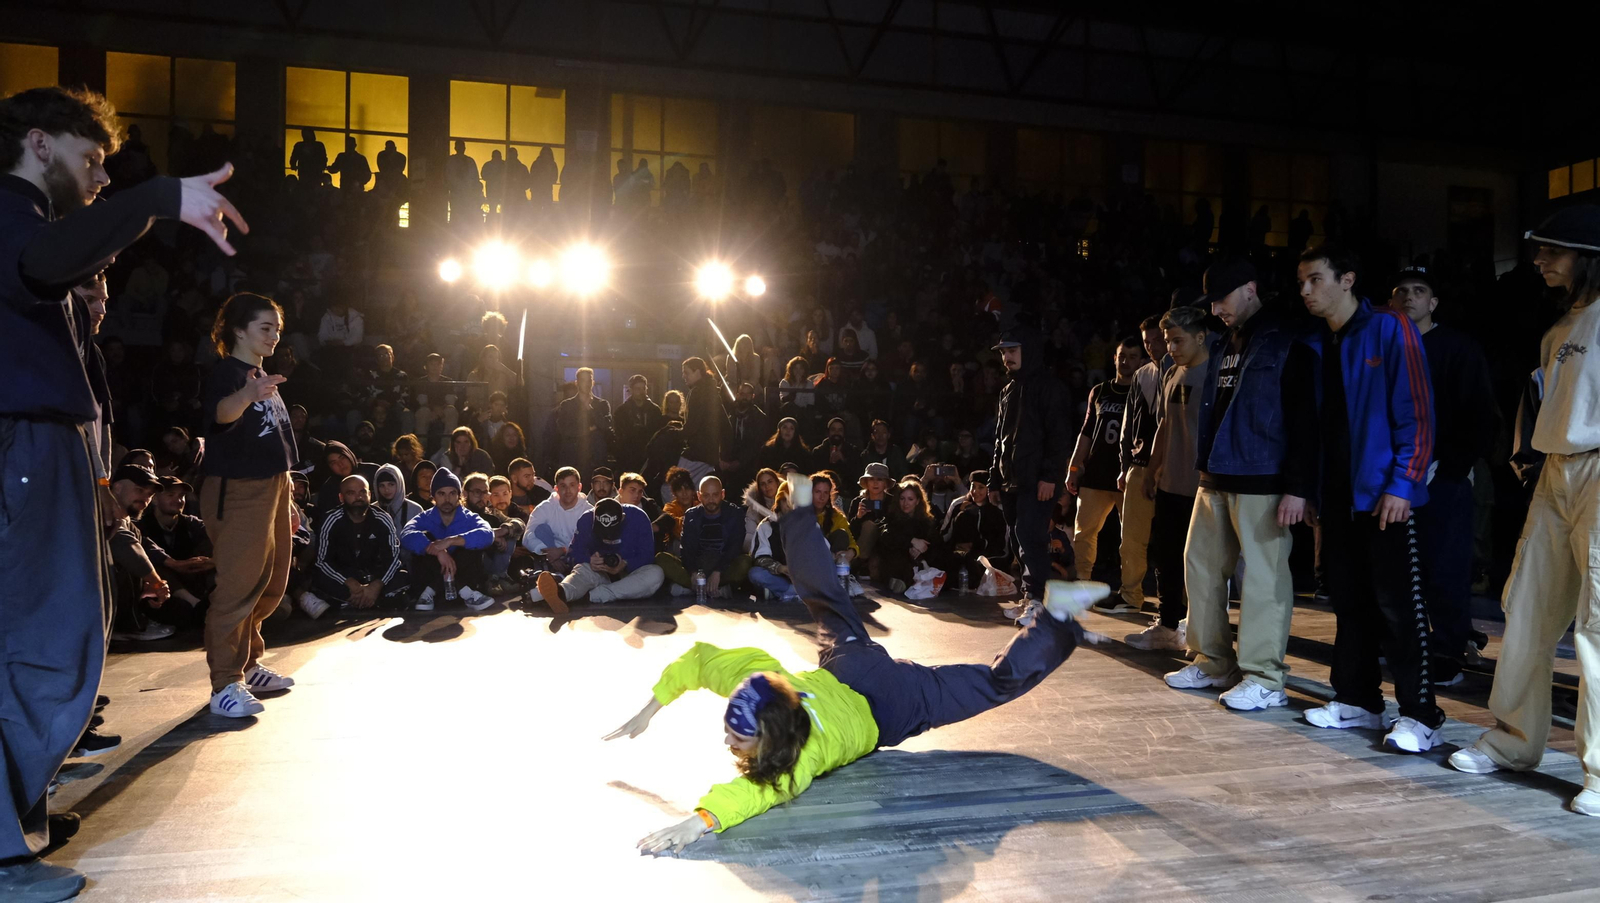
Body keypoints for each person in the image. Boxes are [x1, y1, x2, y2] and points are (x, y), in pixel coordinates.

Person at [0, 85, 247, 897]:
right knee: (45, 639)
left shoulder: (35, 227)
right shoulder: (12, 212)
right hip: (26, 440)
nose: (101, 177)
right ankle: (3, 847)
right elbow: (41, 262)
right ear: (39, 143)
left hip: (45, 440)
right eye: (91, 159)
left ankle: (15, 821)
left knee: (55, 638)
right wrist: (160, 198)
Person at [608, 474, 1110, 853]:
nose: (727, 741)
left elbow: (756, 793)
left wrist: (700, 820)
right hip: (848, 664)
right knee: (825, 597)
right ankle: (800, 506)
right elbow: (703, 661)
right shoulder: (764, 679)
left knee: (993, 684)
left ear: (774, 739)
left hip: (890, 705)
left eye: (738, 738)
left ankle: (1059, 616)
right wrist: (652, 706)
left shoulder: (800, 755)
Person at [1448, 207, 1600, 812]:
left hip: (1597, 468)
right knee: (1526, 608)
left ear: (1587, 254)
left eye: (1551, 252)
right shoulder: (1561, 326)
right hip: (1556, 470)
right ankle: (1513, 741)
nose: (1539, 261)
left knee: (1595, 625)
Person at [1296, 244, 1443, 751]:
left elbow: (1417, 412)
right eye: (1302, 283)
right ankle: (1359, 701)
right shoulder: (1319, 342)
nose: (1306, 291)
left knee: (1400, 608)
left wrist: (1404, 483)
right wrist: (1316, 492)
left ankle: (1420, 715)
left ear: (1347, 279)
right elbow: (1321, 429)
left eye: (1316, 279)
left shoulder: (1388, 326)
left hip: (1386, 497)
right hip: (1339, 500)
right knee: (1350, 604)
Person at [1164, 258, 1317, 714]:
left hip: (1263, 476)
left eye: (1222, 298)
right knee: (1202, 569)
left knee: (1264, 579)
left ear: (1251, 288)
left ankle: (1266, 678)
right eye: (1210, 301)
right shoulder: (1227, 340)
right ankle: (1214, 662)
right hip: (1217, 474)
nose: (1215, 309)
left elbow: (1306, 417)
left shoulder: (1290, 336)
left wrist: (1298, 485)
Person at [1387, 265, 1500, 685]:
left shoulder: (1457, 347)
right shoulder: (1384, 346)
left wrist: (1452, 467)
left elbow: (1480, 413)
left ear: (1433, 302)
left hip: (1443, 475)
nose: (1409, 297)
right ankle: (1411, 646)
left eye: (1419, 291)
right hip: (1395, 475)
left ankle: (1449, 650)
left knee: (1444, 566)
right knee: (1399, 567)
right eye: (1401, 291)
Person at [198, 293, 300, 720]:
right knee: (238, 587)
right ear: (238, 330)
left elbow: (273, 438)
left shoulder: (258, 372)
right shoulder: (228, 373)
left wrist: (288, 495)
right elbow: (220, 416)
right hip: (238, 491)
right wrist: (247, 393)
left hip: (273, 487)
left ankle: (250, 663)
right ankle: (225, 683)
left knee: (271, 582)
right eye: (265, 327)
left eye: (277, 328)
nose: (274, 335)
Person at [1126, 307, 1209, 652]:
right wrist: (1151, 469)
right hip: (1171, 483)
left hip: (1203, 485)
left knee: (1201, 561)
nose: (1171, 348)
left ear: (1200, 337)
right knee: (1166, 555)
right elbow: (1163, 424)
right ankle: (1168, 624)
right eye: (1167, 341)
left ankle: (1199, 631)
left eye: (1177, 340)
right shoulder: (1172, 373)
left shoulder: (1214, 373)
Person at [989, 325, 1071, 615]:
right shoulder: (1008, 391)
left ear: (1029, 351)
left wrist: (1050, 477)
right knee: (1018, 537)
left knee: (1030, 535)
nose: (1006, 357)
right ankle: (1030, 596)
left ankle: (1037, 600)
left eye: (1012, 351)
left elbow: (1059, 436)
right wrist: (994, 479)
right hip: (1013, 480)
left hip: (1038, 480)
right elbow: (1000, 438)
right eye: (1003, 352)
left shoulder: (1049, 388)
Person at [1069, 336, 1142, 605]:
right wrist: (1074, 467)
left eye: (1133, 356)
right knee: (1083, 532)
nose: (1126, 361)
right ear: (1114, 358)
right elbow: (1086, 432)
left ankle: (1130, 592)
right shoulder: (1099, 391)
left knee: (1131, 539)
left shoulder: (1144, 389)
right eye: (1122, 356)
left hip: (1128, 475)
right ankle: (1082, 582)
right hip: (1096, 473)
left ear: (1141, 360)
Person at [301, 475, 411, 618]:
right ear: (341, 497)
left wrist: (377, 585)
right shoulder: (331, 520)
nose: (358, 497)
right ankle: (374, 601)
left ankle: (357, 601)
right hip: (344, 577)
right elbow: (322, 561)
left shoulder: (382, 518)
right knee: (320, 579)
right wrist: (349, 582)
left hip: (374, 576)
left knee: (402, 576)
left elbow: (394, 559)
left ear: (369, 495)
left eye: (362, 492)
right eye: (351, 493)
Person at [534, 497, 664, 614]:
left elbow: (648, 556)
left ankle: (591, 595)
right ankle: (561, 593)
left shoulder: (639, 517)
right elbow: (573, 554)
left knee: (656, 573)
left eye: (612, 531)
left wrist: (625, 563)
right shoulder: (586, 520)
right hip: (598, 572)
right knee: (583, 569)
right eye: (603, 531)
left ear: (622, 518)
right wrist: (590, 560)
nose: (608, 536)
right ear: (594, 519)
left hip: (630, 575)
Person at [1118, 316, 1167, 614]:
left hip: (1174, 468)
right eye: (1147, 342)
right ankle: (1131, 596)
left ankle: (1180, 604)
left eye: (1155, 340)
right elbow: (1128, 425)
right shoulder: (1142, 375)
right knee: (1132, 539)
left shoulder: (1186, 371)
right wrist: (1124, 465)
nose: (1151, 347)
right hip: (1139, 463)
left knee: (1172, 540)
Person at [398, 467, 495, 612]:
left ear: (459, 495)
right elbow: (406, 534)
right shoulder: (426, 517)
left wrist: (451, 541)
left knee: (468, 542)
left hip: (464, 576)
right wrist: (438, 551)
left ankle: (431, 591)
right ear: (434, 496)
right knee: (426, 538)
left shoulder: (468, 517)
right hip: (434, 581)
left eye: (452, 493)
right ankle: (463, 592)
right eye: (441, 494)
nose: (447, 499)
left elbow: (488, 534)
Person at [106, 463, 177, 642]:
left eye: (149, 494)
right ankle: (129, 625)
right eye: (139, 490)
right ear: (117, 487)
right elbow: (124, 545)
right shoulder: (103, 512)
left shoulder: (128, 521)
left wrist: (151, 584)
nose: (145, 499)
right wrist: (156, 583)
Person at [658, 476, 751, 597]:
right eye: (706, 495)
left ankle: (694, 589)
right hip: (698, 567)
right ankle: (713, 589)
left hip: (723, 568)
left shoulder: (735, 513)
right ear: (699, 496)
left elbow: (735, 546)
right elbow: (686, 549)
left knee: (745, 562)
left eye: (715, 495)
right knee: (661, 559)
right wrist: (693, 573)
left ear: (722, 494)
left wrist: (718, 571)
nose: (711, 500)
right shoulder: (691, 515)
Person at [139, 474, 214, 618]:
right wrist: (173, 563)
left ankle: (212, 597)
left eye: (182, 496)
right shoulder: (143, 525)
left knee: (210, 545)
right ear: (154, 499)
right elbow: (143, 546)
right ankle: (195, 604)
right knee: (153, 565)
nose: (178, 500)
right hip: (162, 589)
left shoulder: (191, 523)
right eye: (170, 495)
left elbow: (214, 535)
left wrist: (211, 561)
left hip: (192, 578)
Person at [940, 470, 1008, 592]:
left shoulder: (998, 508)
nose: (975, 491)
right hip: (961, 552)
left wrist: (977, 545)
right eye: (973, 486)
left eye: (981, 487)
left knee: (977, 566)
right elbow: (945, 533)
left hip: (987, 555)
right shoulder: (958, 503)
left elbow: (1002, 543)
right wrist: (958, 513)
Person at [870, 480, 941, 594]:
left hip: (919, 559)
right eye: (902, 499)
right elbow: (886, 536)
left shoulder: (926, 521)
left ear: (917, 501)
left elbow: (934, 541)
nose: (905, 503)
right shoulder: (892, 517)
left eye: (910, 499)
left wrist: (920, 550)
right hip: (896, 556)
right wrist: (911, 541)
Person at [463, 472, 526, 595]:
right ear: (465, 493)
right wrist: (492, 536)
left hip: (492, 560)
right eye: (477, 492)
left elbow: (519, 524)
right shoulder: (461, 513)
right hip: (470, 564)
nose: (482, 496)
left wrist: (503, 530)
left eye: (485, 492)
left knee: (509, 534)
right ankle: (489, 580)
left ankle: (498, 577)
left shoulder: (493, 513)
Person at [522, 466, 594, 575]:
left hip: (579, 563)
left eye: (572, 485)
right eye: (563, 486)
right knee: (540, 529)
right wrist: (550, 553)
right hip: (548, 560)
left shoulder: (589, 511)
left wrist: (562, 551)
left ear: (579, 487)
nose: (568, 490)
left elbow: (591, 544)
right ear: (556, 488)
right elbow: (528, 537)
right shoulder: (545, 507)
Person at [554, 367, 614, 479]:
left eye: (589, 380)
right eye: (583, 380)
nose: (586, 384)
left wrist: (589, 408)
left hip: (596, 458)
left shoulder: (602, 404)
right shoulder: (567, 405)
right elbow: (565, 430)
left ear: (593, 382)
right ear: (577, 383)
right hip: (574, 457)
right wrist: (589, 429)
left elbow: (606, 425)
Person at [680, 357, 726, 483]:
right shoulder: (712, 392)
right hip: (710, 454)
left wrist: (677, 435)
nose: (684, 376)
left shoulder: (697, 392)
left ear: (698, 372)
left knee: (671, 485)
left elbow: (693, 424)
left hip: (697, 452)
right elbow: (725, 424)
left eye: (687, 372)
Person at [614, 374, 666, 473]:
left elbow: (658, 433)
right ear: (631, 390)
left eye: (643, 388)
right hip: (628, 456)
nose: (641, 392)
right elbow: (619, 435)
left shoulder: (654, 410)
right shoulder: (622, 412)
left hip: (649, 456)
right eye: (638, 389)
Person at [742, 468, 782, 554]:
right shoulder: (753, 509)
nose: (767, 486)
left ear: (777, 482)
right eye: (763, 484)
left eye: (770, 481)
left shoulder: (790, 503)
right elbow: (749, 536)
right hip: (763, 551)